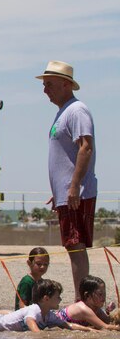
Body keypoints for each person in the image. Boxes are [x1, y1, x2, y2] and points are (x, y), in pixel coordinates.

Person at [39, 61, 97, 291]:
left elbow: (86, 147)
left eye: (49, 85)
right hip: (66, 193)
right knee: (72, 246)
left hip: (76, 193)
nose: (45, 90)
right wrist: (59, 191)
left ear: (66, 84)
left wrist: (74, 186)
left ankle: (83, 301)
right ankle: (84, 300)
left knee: (76, 246)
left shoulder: (76, 110)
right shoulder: (62, 113)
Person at [0, 279, 72, 332]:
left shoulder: (49, 315)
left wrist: (87, 330)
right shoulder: (34, 310)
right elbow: (35, 330)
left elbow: (67, 325)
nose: (60, 299)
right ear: (46, 299)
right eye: (58, 297)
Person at [55, 276, 119, 331]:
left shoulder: (96, 309)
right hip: (53, 321)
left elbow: (109, 322)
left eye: (104, 294)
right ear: (87, 295)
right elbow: (105, 327)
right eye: (100, 294)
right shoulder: (84, 309)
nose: (103, 297)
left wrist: (108, 312)